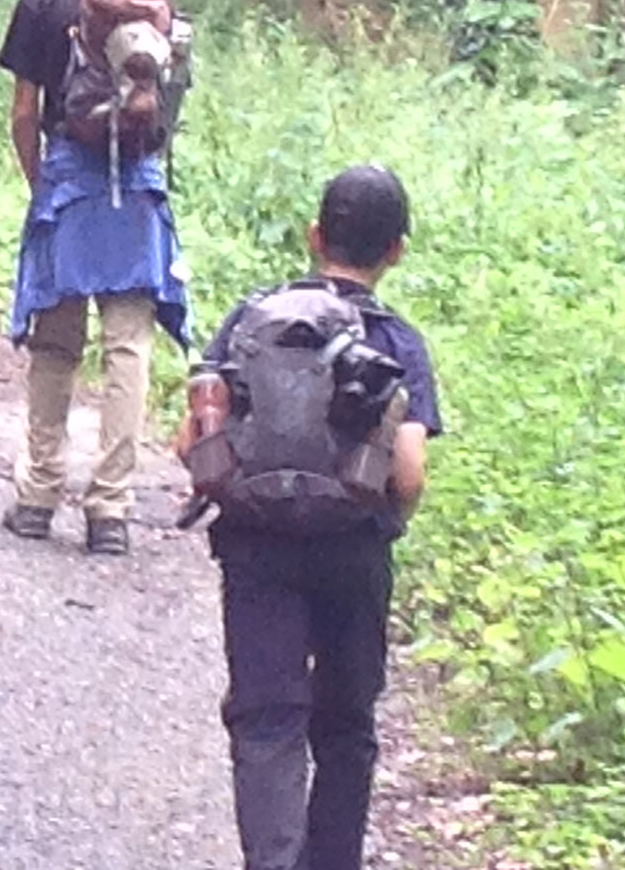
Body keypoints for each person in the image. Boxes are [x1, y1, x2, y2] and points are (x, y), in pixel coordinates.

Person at [183, 166, 441, 870]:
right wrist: (389, 520)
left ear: (315, 236)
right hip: (353, 551)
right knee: (346, 724)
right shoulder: (396, 342)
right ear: (397, 250)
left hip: (256, 546)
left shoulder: (251, 318)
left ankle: (270, 860)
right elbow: (409, 469)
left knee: (265, 717)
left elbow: (194, 441)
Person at [0, 0, 189, 555]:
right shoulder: (157, 10)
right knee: (128, 345)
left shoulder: (45, 2)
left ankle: (39, 494)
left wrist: (39, 183)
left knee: (56, 343)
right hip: (137, 191)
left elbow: (25, 114)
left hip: (69, 182)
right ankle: (110, 508)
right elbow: (169, 108)